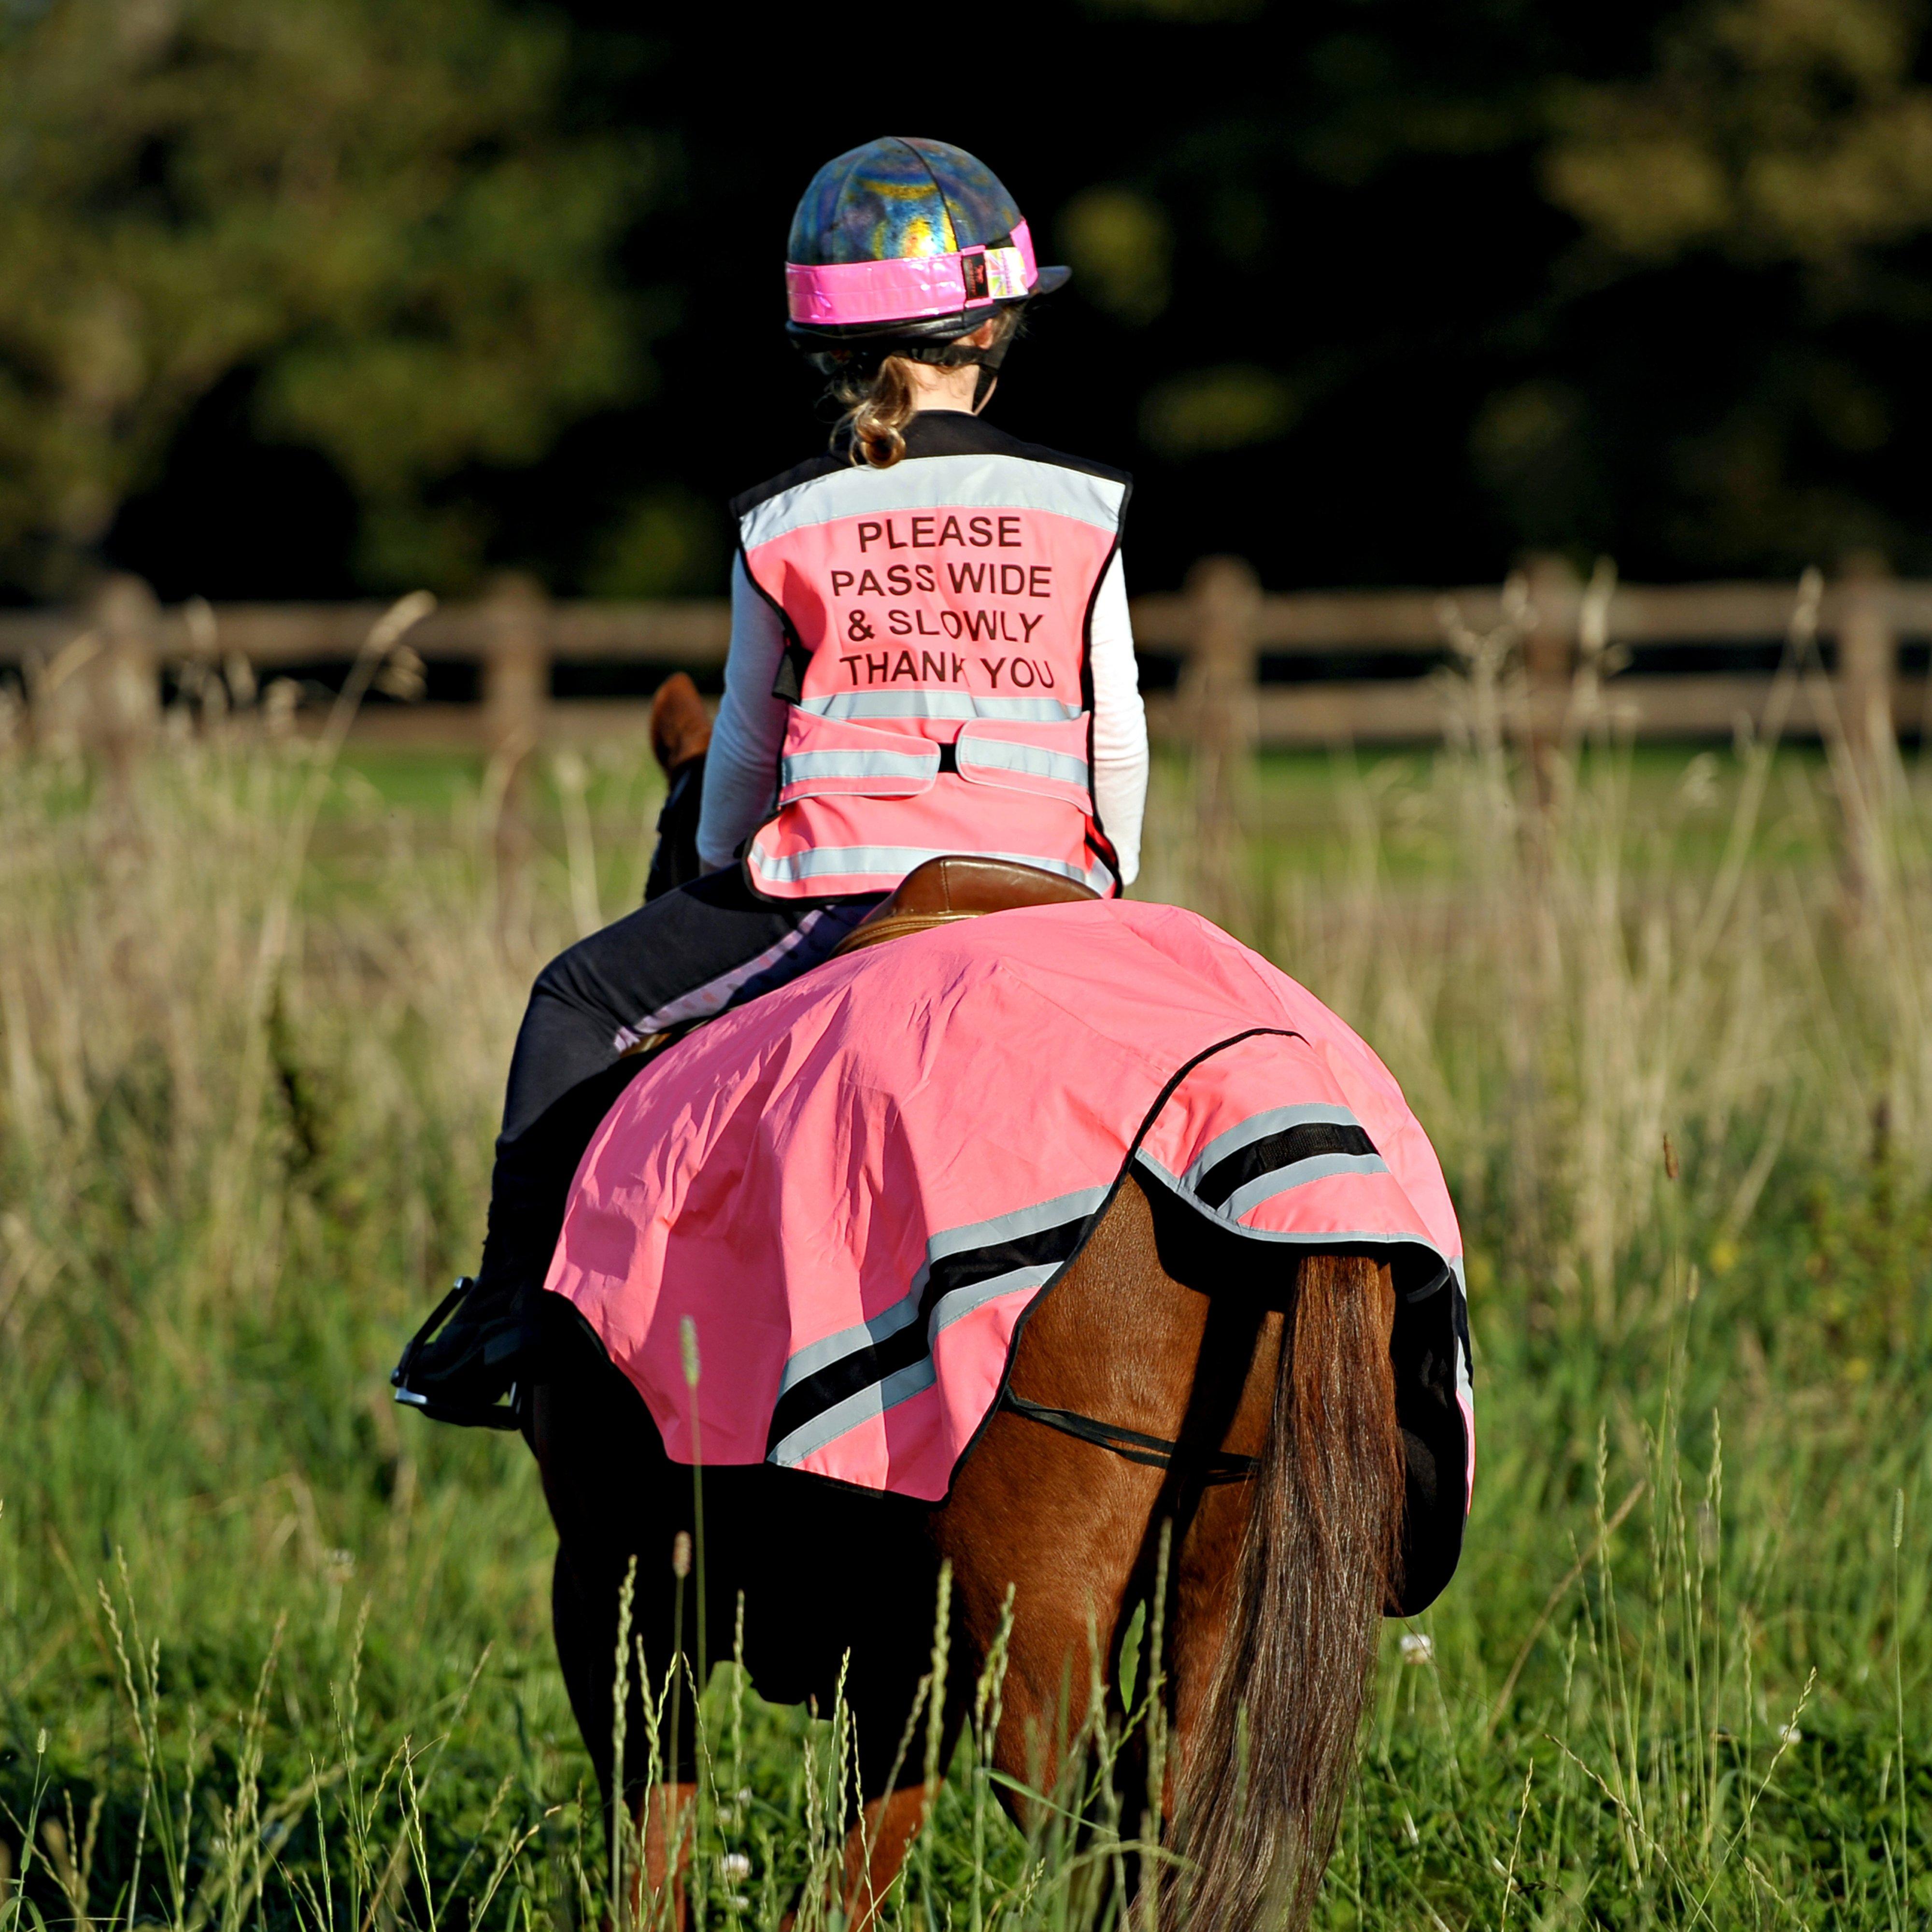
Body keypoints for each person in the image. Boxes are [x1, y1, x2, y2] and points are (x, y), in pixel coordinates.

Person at [393, 135, 1149, 1426]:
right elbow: (1117, 734)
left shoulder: (784, 518)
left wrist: (716, 864)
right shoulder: (1085, 505)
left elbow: (741, 748)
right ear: (996, 330)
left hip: (841, 890)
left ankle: (508, 1327)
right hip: (1051, 887)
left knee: (573, 1001)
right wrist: (1108, 882)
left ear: (836, 354)